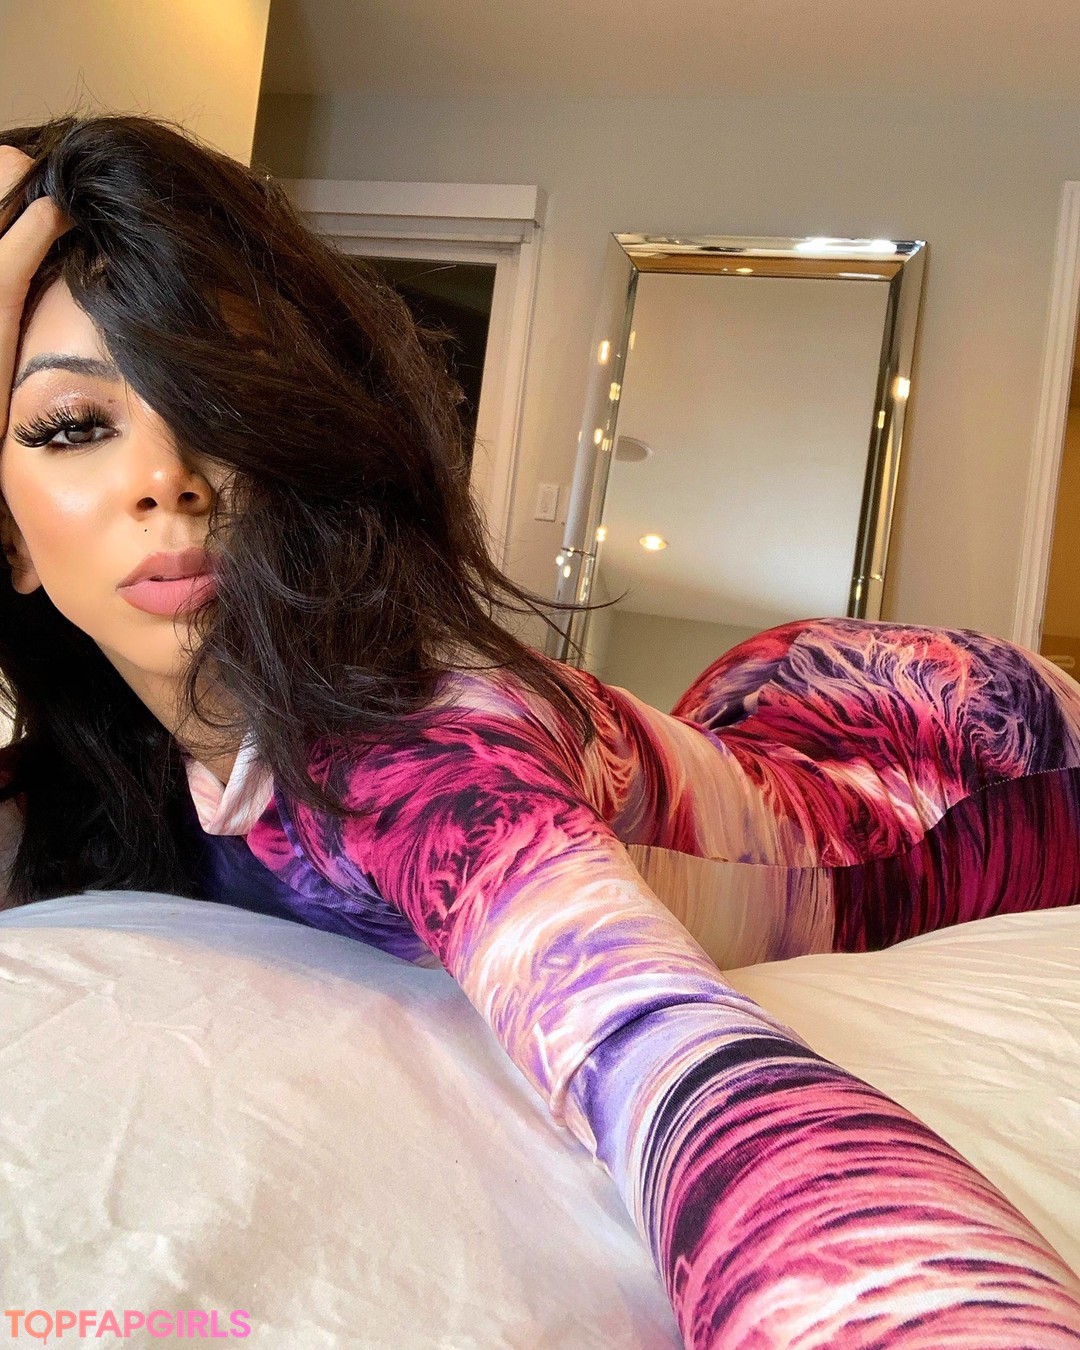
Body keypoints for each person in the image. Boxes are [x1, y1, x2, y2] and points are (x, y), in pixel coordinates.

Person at [0, 114, 1078, 1348]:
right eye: (70, 426)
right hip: (724, 733)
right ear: (10, 535)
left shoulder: (427, 749)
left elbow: (674, 1062)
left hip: (950, 759)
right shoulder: (107, 777)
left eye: (223, 403)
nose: (169, 479)